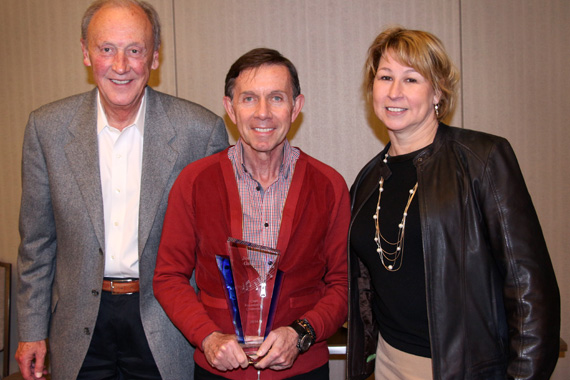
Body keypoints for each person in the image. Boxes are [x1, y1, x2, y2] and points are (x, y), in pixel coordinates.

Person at [15, 0, 229, 379]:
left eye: (135, 50)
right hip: (78, 328)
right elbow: (37, 243)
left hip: (165, 323)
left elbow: (214, 251)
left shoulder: (200, 132)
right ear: (85, 52)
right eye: (106, 49)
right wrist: (32, 332)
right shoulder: (46, 129)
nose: (120, 65)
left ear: (155, 56)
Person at [347, 27, 560, 380]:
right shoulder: (367, 180)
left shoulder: (482, 159)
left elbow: (530, 289)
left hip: (462, 369)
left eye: (411, 79)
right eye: (385, 76)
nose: (394, 91)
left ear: (438, 92)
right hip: (387, 362)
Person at [153, 48, 350, 380]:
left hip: (302, 370)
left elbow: (344, 284)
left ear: (296, 106)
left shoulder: (329, 185)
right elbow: (168, 277)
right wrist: (206, 336)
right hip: (219, 370)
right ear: (230, 108)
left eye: (276, 98)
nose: (263, 113)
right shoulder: (195, 182)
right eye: (248, 99)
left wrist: (302, 333)